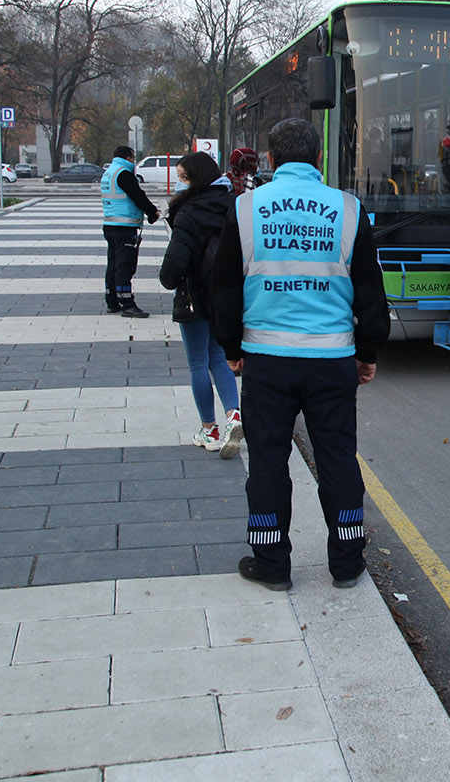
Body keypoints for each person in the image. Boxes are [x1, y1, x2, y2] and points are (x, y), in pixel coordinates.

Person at [212, 117, 391, 592]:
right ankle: (347, 562)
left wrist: (232, 348)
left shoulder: (246, 208)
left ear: (271, 159)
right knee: (337, 459)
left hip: (266, 360)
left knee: (268, 460)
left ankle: (271, 563)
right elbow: (371, 291)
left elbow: (225, 287)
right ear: (318, 159)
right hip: (332, 360)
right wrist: (367, 351)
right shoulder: (349, 210)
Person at [158, 151, 244, 458]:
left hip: (194, 297)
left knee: (197, 363)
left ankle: (209, 430)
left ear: (196, 179)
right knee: (219, 358)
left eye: (183, 177)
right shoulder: (234, 205)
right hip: (225, 298)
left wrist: (168, 276)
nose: (180, 183)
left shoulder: (188, 214)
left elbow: (171, 271)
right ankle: (234, 415)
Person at [101, 145, 160, 317]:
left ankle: (112, 301)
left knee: (112, 264)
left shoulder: (109, 173)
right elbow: (137, 195)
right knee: (125, 266)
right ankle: (127, 303)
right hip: (124, 227)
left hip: (110, 224)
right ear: (128, 157)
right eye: (133, 158)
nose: (133, 162)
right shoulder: (123, 174)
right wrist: (151, 212)